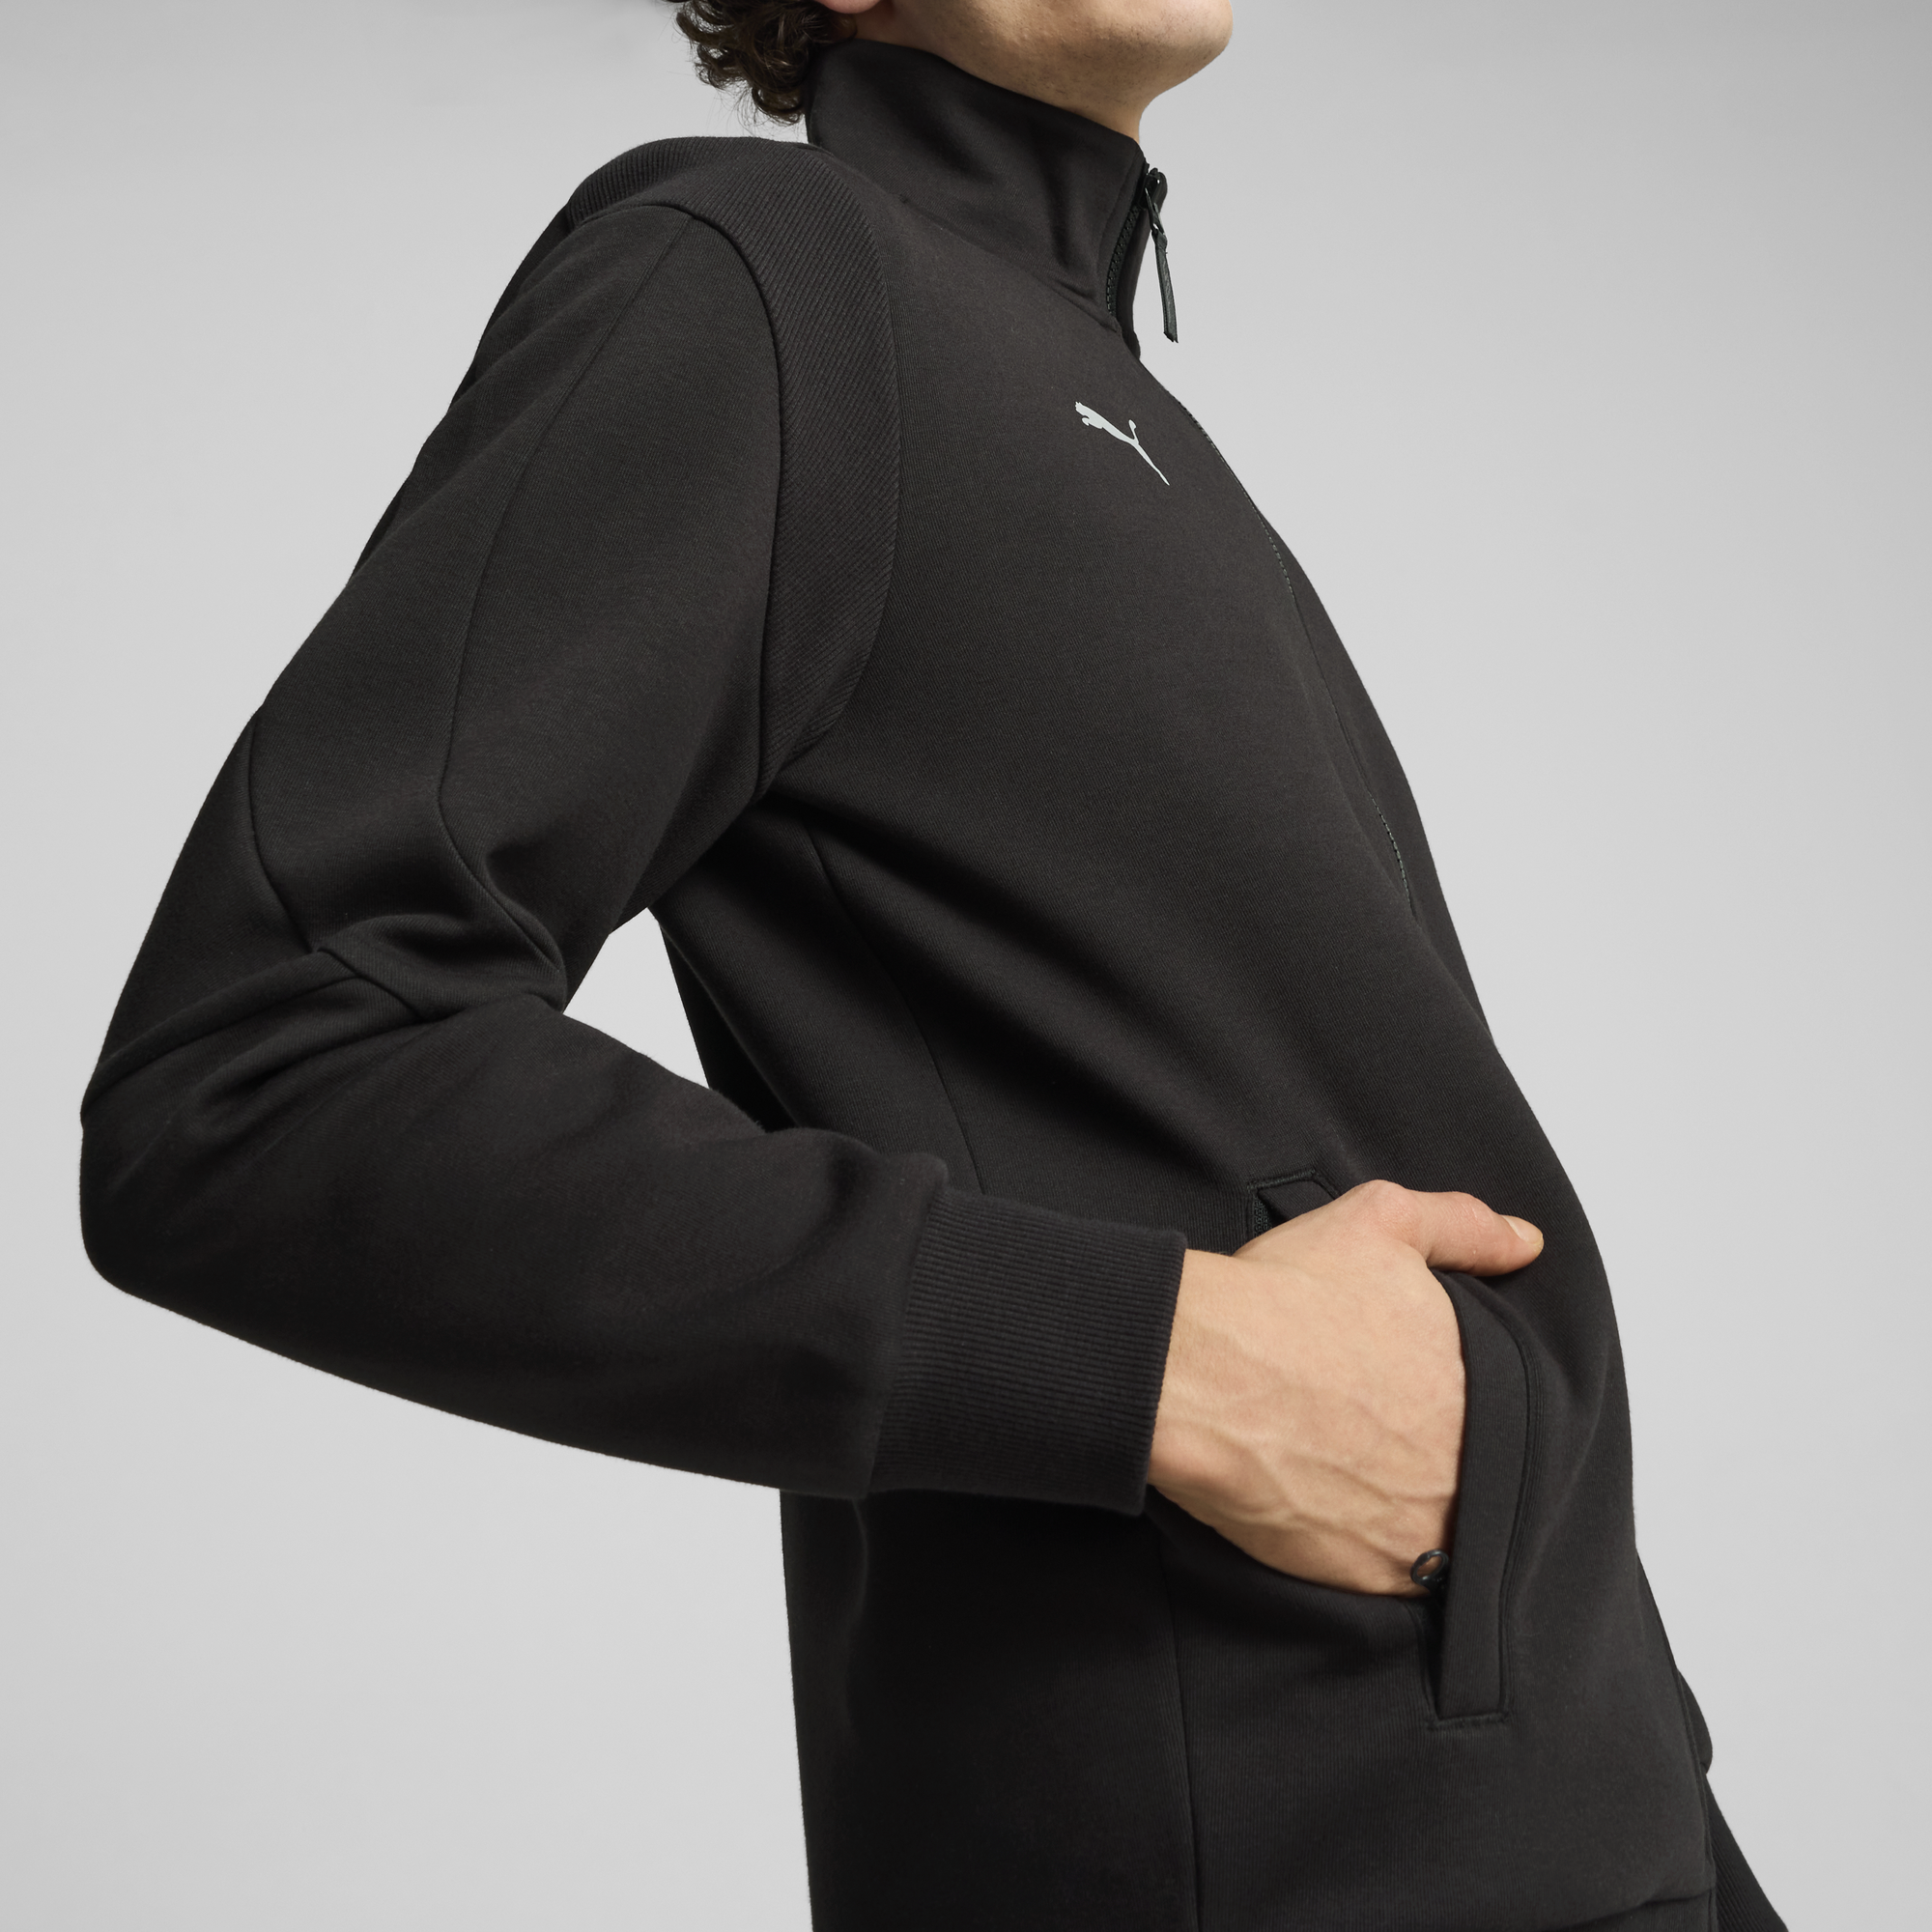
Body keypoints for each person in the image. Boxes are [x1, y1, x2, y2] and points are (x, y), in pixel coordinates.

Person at [80, 2, 1785, 1927]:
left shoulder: (1116, 415)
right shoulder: (765, 282)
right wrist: (1158, 1359)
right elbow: (262, 1074)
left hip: (1581, 1830)